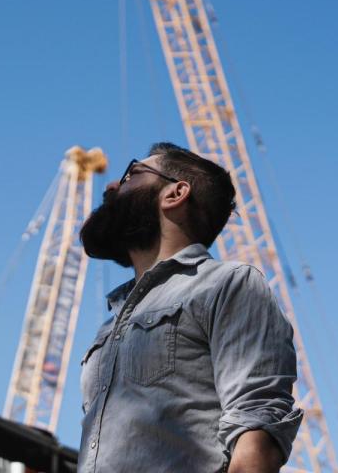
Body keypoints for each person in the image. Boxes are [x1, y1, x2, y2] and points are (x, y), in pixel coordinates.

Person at [77, 142, 302, 473]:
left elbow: (256, 425)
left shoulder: (226, 284)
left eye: (131, 174)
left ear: (175, 194)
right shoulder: (110, 325)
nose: (112, 186)